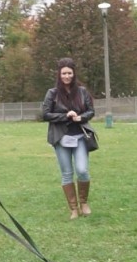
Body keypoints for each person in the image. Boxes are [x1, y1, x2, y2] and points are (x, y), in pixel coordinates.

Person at [41, 58, 96, 220]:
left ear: (74, 74)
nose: (67, 76)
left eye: (69, 73)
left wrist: (81, 117)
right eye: (64, 73)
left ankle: (84, 203)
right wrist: (66, 116)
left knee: (82, 170)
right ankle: (73, 209)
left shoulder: (82, 91)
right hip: (61, 138)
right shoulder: (52, 93)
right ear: (59, 74)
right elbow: (45, 114)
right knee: (66, 173)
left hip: (79, 136)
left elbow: (91, 111)